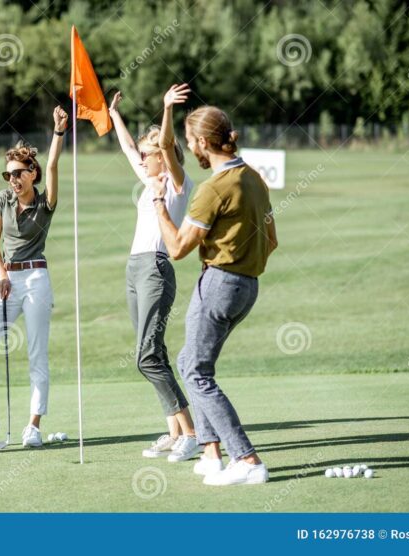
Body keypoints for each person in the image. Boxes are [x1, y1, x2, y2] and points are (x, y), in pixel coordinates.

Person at [152, 85, 279, 485]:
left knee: (197, 374)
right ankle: (210, 453)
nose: (190, 148)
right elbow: (271, 240)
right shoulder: (255, 179)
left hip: (220, 284)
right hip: (247, 286)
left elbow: (177, 248)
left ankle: (247, 459)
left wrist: (158, 205)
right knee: (190, 362)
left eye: (191, 142)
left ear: (204, 142)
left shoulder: (213, 189)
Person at [108, 86, 201, 462]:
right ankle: (174, 431)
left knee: (146, 356)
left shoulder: (178, 183)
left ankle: (191, 433)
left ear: (163, 156)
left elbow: (163, 142)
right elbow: (130, 148)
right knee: (154, 352)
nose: (143, 159)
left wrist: (166, 109)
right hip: (135, 268)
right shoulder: (150, 183)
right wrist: (113, 115)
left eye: (150, 154)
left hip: (156, 269)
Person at [0, 106, 68, 449]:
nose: (12, 179)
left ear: (32, 173)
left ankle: (33, 426)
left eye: (18, 173)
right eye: (8, 174)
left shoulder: (46, 202)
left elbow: (53, 166)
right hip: (9, 280)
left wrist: (58, 131)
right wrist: (1, 276)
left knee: (37, 355)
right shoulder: (3, 200)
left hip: (37, 279)